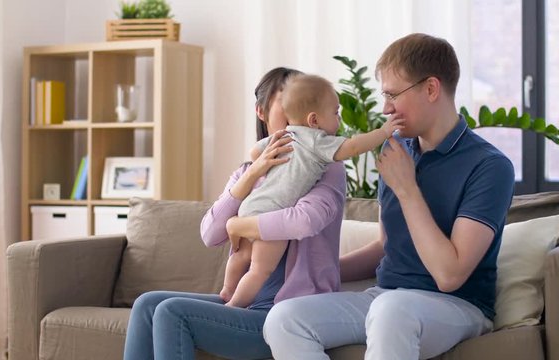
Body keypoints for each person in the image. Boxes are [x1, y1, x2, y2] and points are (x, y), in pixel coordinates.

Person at [263, 33, 515, 360]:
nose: (385, 108)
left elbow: (450, 274)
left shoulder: (489, 166)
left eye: (393, 94)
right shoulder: (394, 149)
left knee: (392, 309)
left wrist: (407, 189)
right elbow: (386, 245)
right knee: (285, 318)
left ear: (431, 88)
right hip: (385, 297)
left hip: (457, 305)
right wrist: (322, 271)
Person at [123, 67, 347, 360]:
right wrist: (253, 173)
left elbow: (306, 221)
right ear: (262, 112)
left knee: (171, 311)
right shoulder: (247, 172)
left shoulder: (326, 167)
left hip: (287, 312)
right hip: (244, 303)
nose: (297, 120)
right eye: (287, 105)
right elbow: (210, 233)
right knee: (147, 304)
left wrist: (240, 224)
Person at [222, 74, 403, 308]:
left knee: (242, 255)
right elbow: (354, 146)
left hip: (251, 206)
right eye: (336, 113)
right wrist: (385, 131)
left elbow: (255, 153)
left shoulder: (283, 137)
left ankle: (226, 289)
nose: (339, 121)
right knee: (259, 270)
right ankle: (233, 306)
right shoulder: (318, 142)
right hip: (272, 214)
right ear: (314, 120)